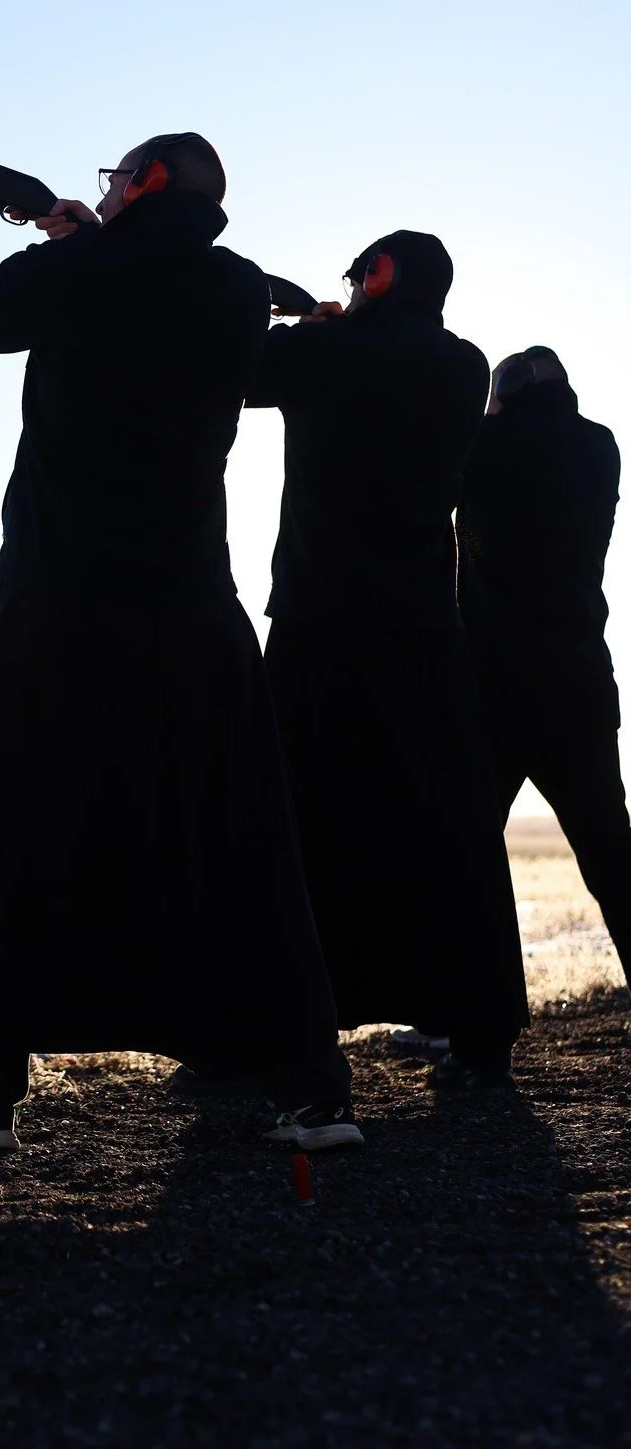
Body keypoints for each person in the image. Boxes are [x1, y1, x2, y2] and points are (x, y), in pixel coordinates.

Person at [0, 132, 361, 1152]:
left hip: (58, 598)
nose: (103, 191)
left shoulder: (84, 271)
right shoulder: (227, 289)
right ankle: (312, 1091)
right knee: (247, 846)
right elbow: (220, 283)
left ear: (143, 185)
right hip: (193, 607)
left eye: (114, 178)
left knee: (7, 837)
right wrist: (81, 232)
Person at [245, 233, 529, 1089]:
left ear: (378, 275)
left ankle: (279, 1029)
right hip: (421, 622)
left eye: (355, 276)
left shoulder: (324, 350)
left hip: (318, 618)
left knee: (296, 823)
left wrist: (306, 325)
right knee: (447, 827)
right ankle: (477, 1031)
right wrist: (323, 326)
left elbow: (237, 368)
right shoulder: (462, 363)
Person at [459, 347, 630, 984]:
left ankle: (471, 1029)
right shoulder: (598, 447)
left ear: (504, 392)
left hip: (495, 684)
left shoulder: (484, 446)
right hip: (581, 679)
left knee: (467, 858)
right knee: (613, 854)